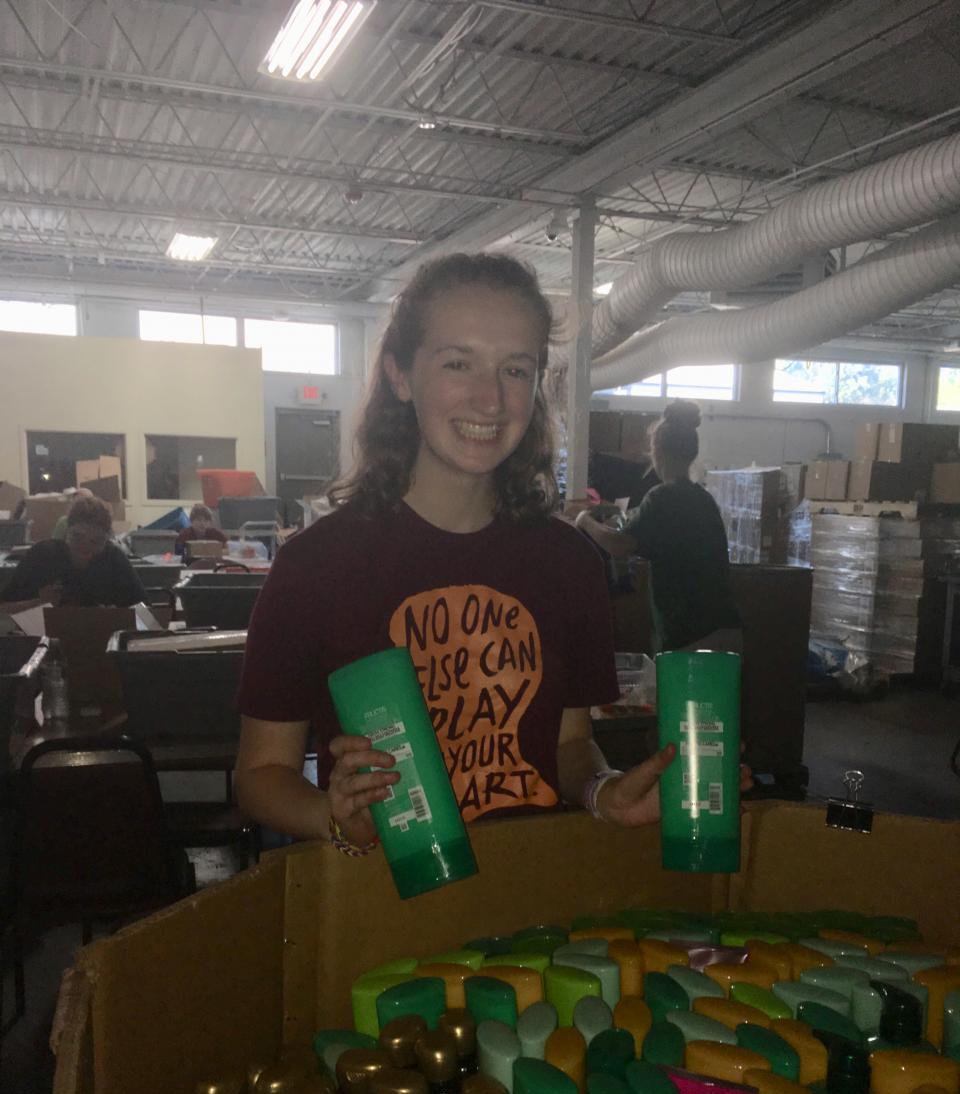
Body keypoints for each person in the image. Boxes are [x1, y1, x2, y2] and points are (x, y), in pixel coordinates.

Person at [235, 252, 688, 854]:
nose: (491, 400)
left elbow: (568, 745)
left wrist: (603, 791)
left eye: (515, 370)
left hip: (532, 889)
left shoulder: (568, 563)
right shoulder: (315, 567)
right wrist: (335, 815)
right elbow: (261, 773)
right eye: (458, 363)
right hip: (382, 896)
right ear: (400, 376)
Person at [576, 400, 741, 653]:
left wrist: (584, 520)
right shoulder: (703, 498)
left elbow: (620, 544)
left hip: (690, 636)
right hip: (727, 632)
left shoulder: (662, 496)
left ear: (657, 452)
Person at [1, 494, 144, 609]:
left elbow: (145, 614)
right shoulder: (43, 556)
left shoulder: (114, 559)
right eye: (78, 537)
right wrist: (40, 602)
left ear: (106, 540)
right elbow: (3, 609)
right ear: (66, 533)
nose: (85, 547)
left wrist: (118, 616)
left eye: (95, 541)